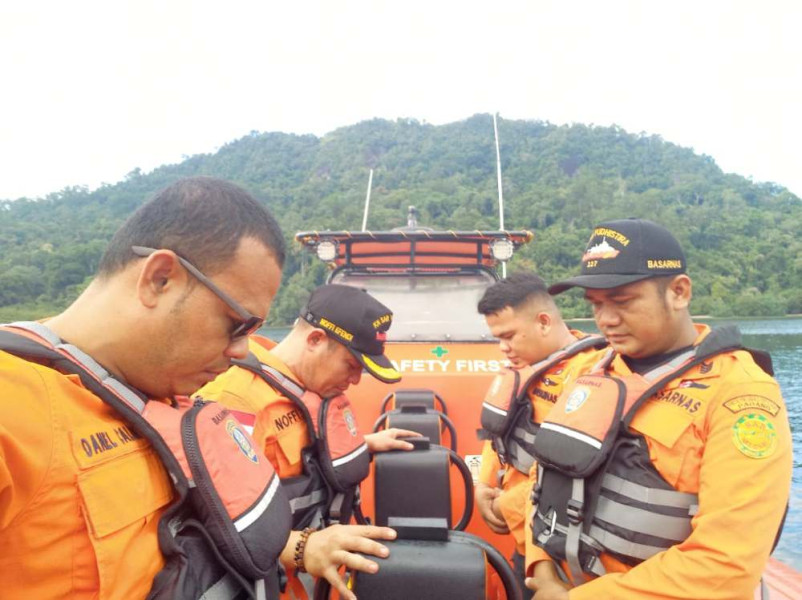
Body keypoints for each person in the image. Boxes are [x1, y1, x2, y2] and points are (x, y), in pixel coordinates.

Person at [0, 177, 291, 599]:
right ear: (159, 279)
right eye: (237, 324)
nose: (242, 351)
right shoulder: (12, 406)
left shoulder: (168, 393)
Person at [525, 218, 792, 600]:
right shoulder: (590, 372)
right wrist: (541, 567)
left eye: (622, 301)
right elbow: (545, 474)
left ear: (679, 292)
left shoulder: (739, 395)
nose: (606, 319)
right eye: (596, 304)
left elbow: (726, 563)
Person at [198, 283, 419, 600]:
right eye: (351, 365)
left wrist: (367, 443)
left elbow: (304, 453)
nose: (355, 380)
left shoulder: (302, 386)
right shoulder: (234, 400)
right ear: (315, 340)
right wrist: (301, 548)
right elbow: (209, 519)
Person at [475, 272, 607, 591]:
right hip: (525, 539)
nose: (503, 348)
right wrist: (482, 485)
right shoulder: (524, 367)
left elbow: (569, 473)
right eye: (498, 338)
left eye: (509, 336)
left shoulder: (592, 376)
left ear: (544, 322)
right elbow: (498, 436)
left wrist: (504, 506)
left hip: (561, 555)